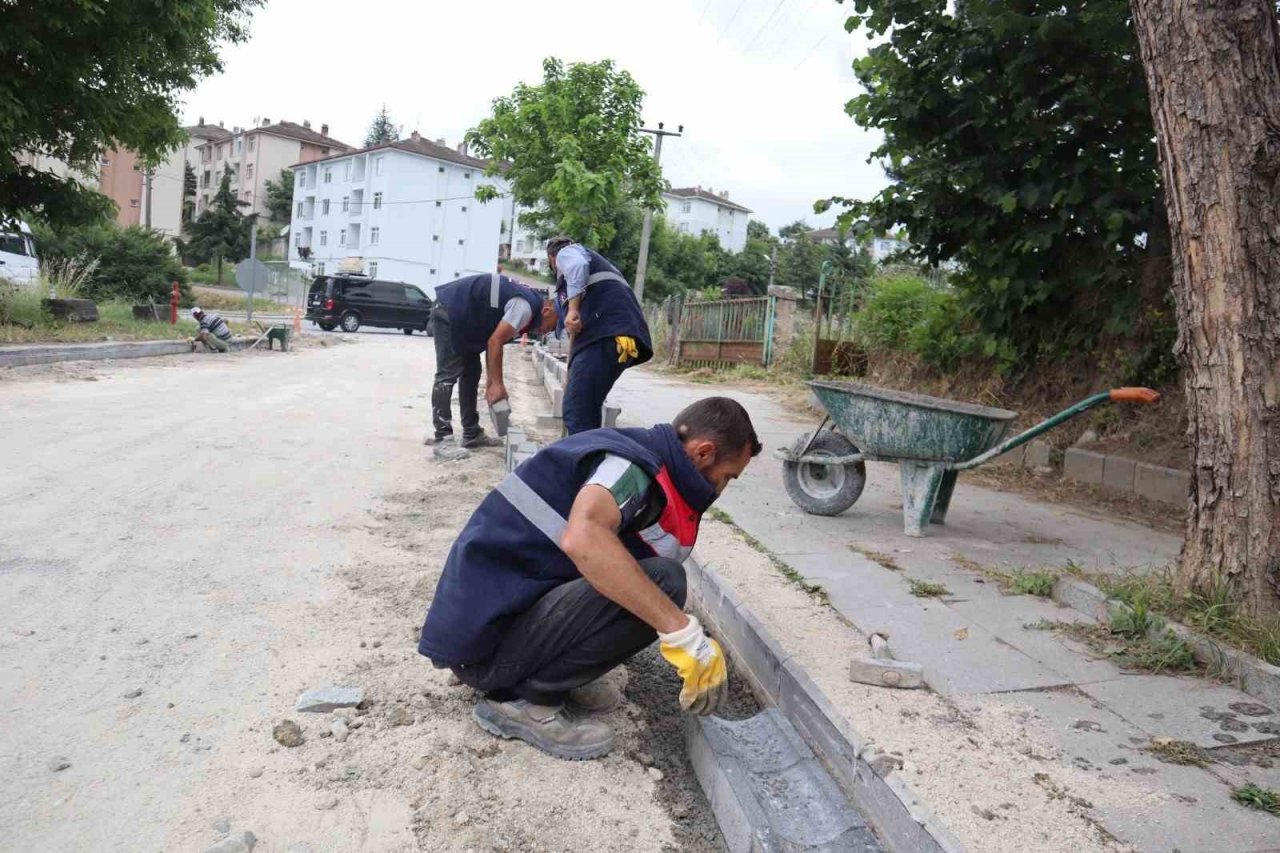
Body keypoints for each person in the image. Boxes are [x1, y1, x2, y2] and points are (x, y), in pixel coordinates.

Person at [418, 397, 762, 760]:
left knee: (645, 579)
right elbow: (583, 538)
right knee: (663, 584)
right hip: (483, 647)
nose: (721, 491)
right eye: (727, 478)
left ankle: (551, 674)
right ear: (703, 453)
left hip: (491, 627)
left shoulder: (645, 459)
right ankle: (523, 700)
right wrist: (683, 633)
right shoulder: (630, 467)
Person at [427, 271, 558, 460]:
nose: (548, 332)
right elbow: (495, 341)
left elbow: (494, 340)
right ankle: (442, 438)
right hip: (451, 310)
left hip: (469, 318)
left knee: (472, 372)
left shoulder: (529, 305)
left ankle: (471, 434)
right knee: (447, 375)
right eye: (552, 326)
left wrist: (492, 381)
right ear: (547, 311)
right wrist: (497, 384)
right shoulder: (525, 308)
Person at [546, 237, 653, 435]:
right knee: (582, 405)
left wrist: (573, 308)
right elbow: (574, 336)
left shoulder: (568, 252)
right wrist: (571, 377)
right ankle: (586, 456)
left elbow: (577, 265)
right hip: (617, 336)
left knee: (578, 410)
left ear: (552, 259)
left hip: (606, 334)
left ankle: (583, 462)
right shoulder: (595, 266)